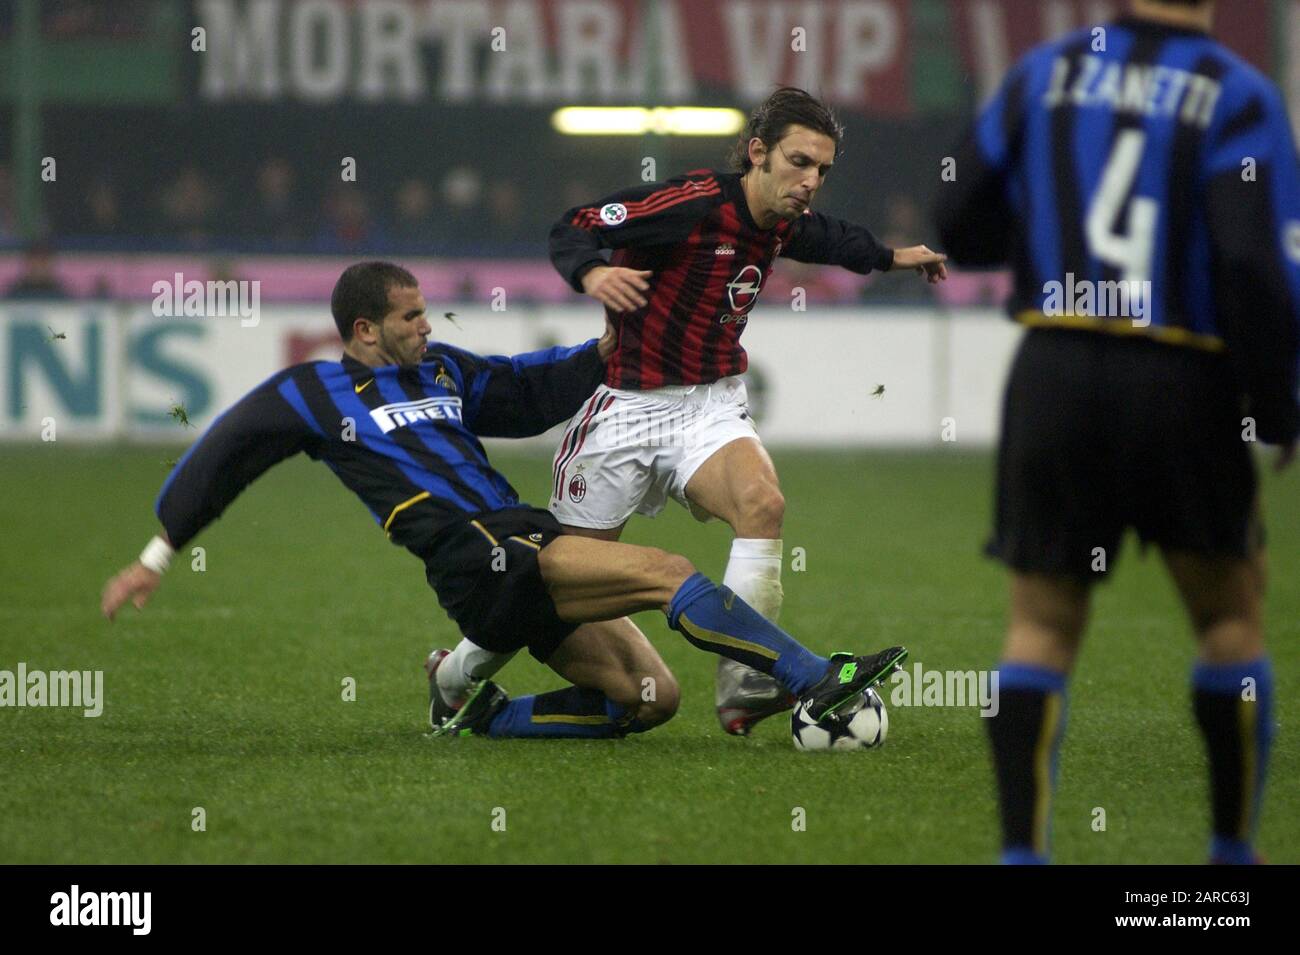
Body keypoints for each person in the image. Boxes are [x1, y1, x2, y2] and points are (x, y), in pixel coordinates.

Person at [100, 261, 907, 739]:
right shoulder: (309, 392)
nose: (426, 325)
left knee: (653, 700)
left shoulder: (441, 369)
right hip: (474, 554)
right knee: (667, 569)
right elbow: (222, 456)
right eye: (410, 317)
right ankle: (815, 677)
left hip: (520, 541)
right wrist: (155, 555)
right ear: (364, 330)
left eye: (424, 313)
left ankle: (478, 713)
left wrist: (603, 351)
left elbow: (521, 392)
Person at [436, 87, 946, 738]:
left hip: (707, 406)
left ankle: (745, 686)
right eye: (799, 162)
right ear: (757, 154)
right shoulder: (693, 202)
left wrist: (893, 258)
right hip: (623, 410)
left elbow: (829, 238)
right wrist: (591, 274)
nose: (811, 181)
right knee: (558, 593)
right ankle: (455, 678)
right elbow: (576, 225)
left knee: (762, 503)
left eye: (823, 170)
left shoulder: (785, 218)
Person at [934, 0, 1298, 863]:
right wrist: (1278, 400)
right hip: (1184, 376)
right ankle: (1229, 865)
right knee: (1229, 615)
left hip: (1055, 371)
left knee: (1042, 624)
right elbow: (1252, 261)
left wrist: (1043, 242)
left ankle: (1022, 854)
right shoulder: (1238, 93)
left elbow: (959, 215)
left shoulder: (1044, 72)